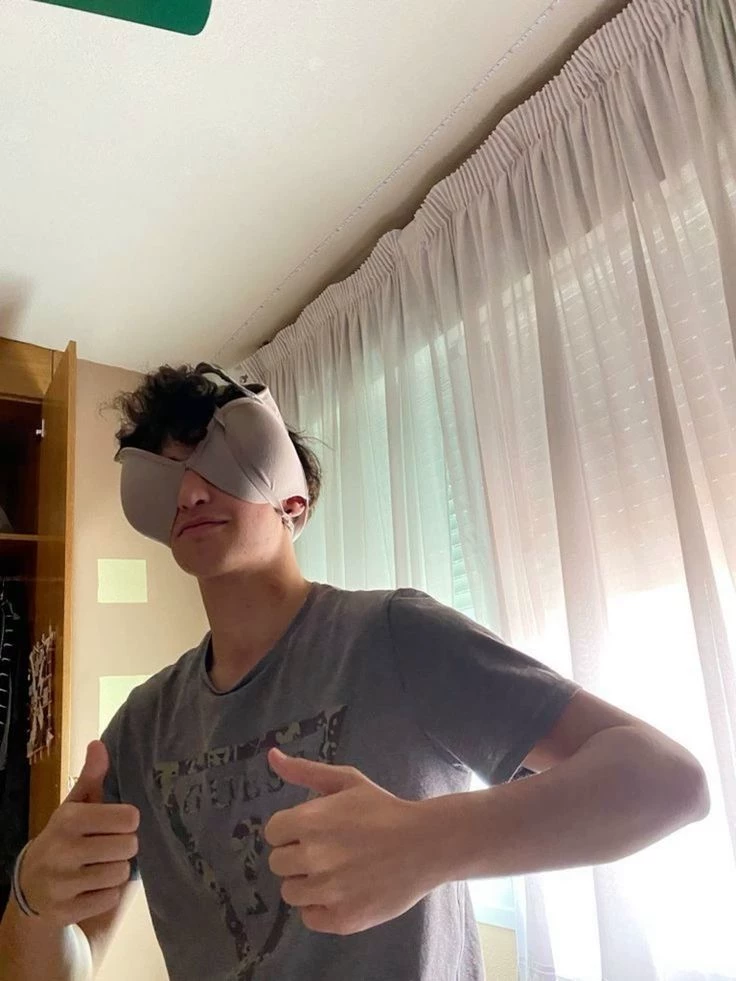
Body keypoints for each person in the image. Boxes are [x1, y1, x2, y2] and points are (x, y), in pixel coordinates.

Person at [0, 364, 709, 981]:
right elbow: (61, 964)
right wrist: (31, 899)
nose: (188, 494)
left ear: (293, 502)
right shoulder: (141, 726)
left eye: (217, 465)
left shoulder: (396, 636)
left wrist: (428, 841)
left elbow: (668, 781)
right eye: (166, 476)